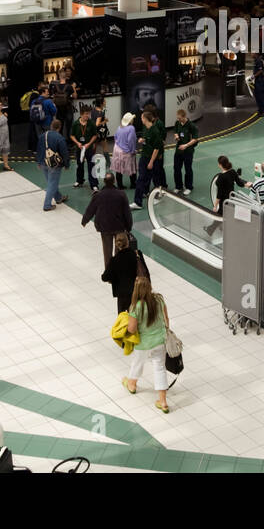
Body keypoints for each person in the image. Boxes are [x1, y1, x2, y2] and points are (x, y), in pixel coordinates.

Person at [121, 276, 171, 414]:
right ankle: (163, 402)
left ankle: (131, 384)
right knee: (160, 369)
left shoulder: (136, 307)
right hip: (160, 341)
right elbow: (166, 319)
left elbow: (131, 329)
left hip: (143, 344)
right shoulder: (159, 299)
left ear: (136, 290)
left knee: (137, 364)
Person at [82, 172, 133, 271]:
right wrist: (129, 226)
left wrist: (85, 220)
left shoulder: (98, 195)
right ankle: (119, 272)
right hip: (119, 227)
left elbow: (91, 209)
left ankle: (109, 274)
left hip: (104, 227)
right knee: (120, 250)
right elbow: (127, 212)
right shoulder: (121, 194)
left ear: (104, 182)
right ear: (114, 181)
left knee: (107, 251)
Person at [101, 227, 144, 314]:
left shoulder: (115, 260)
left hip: (121, 294)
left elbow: (105, 277)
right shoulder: (134, 255)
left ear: (117, 244)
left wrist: (113, 278)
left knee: (122, 318)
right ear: (127, 242)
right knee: (134, 315)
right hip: (135, 290)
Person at [131, 110, 166, 210]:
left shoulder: (155, 131)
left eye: (142, 118)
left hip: (152, 159)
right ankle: (137, 202)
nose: (141, 119)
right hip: (144, 157)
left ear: (145, 119)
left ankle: (158, 197)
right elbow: (147, 139)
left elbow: (156, 148)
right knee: (141, 179)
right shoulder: (145, 128)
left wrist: (151, 161)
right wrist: (143, 140)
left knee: (156, 179)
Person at [207, 155, 247, 234]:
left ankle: (211, 230)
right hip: (231, 198)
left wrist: (215, 206)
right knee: (229, 213)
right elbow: (239, 183)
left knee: (219, 215)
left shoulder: (221, 178)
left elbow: (219, 194)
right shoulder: (232, 172)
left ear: (220, 165)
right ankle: (211, 229)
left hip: (224, 200)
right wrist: (247, 184)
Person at [39, 118, 69, 212]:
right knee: (52, 184)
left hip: (43, 162)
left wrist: (39, 162)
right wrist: (66, 164)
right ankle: (47, 205)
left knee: (51, 182)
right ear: (59, 127)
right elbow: (64, 153)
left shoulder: (43, 135)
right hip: (54, 165)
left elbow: (38, 149)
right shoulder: (60, 138)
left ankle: (59, 198)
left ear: (51, 126)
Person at [70, 105, 99, 190]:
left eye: (89, 114)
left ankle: (94, 184)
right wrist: (77, 143)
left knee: (91, 165)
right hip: (79, 148)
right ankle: (79, 180)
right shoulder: (76, 124)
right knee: (79, 164)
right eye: (86, 114)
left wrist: (89, 144)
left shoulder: (91, 123)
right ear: (81, 114)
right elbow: (72, 136)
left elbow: (95, 135)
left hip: (89, 148)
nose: (88, 116)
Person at [171, 108, 198, 195]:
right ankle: (178, 186)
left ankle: (189, 187)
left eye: (180, 118)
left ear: (184, 116)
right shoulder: (177, 123)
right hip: (178, 151)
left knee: (188, 169)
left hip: (188, 151)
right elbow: (175, 131)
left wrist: (186, 145)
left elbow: (195, 139)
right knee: (176, 169)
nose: (178, 120)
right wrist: (176, 136)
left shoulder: (191, 126)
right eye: (177, 118)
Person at [27, 84, 57, 153]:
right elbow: (54, 111)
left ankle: (42, 153)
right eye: (47, 92)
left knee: (40, 138)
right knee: (49, 138)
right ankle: (50, 153)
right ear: (43, 92)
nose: (48, 93)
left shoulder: (34, 101)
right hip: (47, 122)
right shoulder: (48, 101)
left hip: (37, 122)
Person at [112, 111, 138, 189]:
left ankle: (120, 185)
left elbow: (115, 137)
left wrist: (119, 145)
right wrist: (132, 151)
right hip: (126, 151)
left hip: (117, 150)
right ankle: (133, 184)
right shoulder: (131, 128)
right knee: (132, 167)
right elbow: (131, 141)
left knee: (119, 169)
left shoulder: (119, 127)